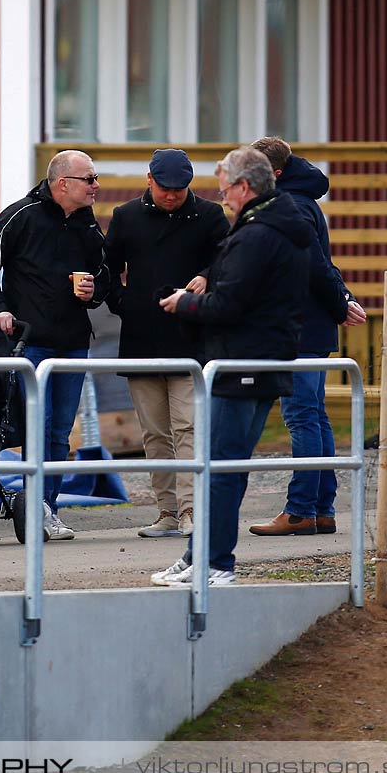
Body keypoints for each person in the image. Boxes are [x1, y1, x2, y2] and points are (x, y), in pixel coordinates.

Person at [150, 147, 312, 588]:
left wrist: (185, 303)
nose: (223, 200)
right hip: (265, 359)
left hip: (243, 363)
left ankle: (215, 561)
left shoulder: (259, 234)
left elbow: (230, 303)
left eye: (225, 192)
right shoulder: (284, 225)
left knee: (220, 466)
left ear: (244, 187)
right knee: (225, 466)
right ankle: (197, 554)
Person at [0, 149, 110, 540]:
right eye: (90, 179)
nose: (97, 186)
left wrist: (93, 291)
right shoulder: (21, 215)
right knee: (38, 426)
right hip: (30, 344)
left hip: (74, 343)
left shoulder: (87, 225)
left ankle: (48, 507)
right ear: (63, 183)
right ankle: (35, 511)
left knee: (60, 433)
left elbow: (105, 277)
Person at [102, 148, 227, 538]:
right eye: (166, 188)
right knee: (154, 432)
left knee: (187, 427)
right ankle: (167, 512)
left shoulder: (208, 216)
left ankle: (191, 510)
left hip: (190, 337)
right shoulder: (127, 216)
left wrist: (207, 276)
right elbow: (106, 266)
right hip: (142, 337)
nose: (172, 195)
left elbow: (228, 259)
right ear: (150, 179)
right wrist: (124, 304)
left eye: (181, 188)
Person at [247, 137, 367, 538]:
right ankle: (321, 508)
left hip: (298, 326)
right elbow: (325, 265)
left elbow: (314, 266)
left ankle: (300, 510)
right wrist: (342, 299)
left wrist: (339, 302)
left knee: (301, 416)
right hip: (311, 326)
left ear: (275, 174)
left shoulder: (291, 206)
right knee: (314, 415)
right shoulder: (303, 201)